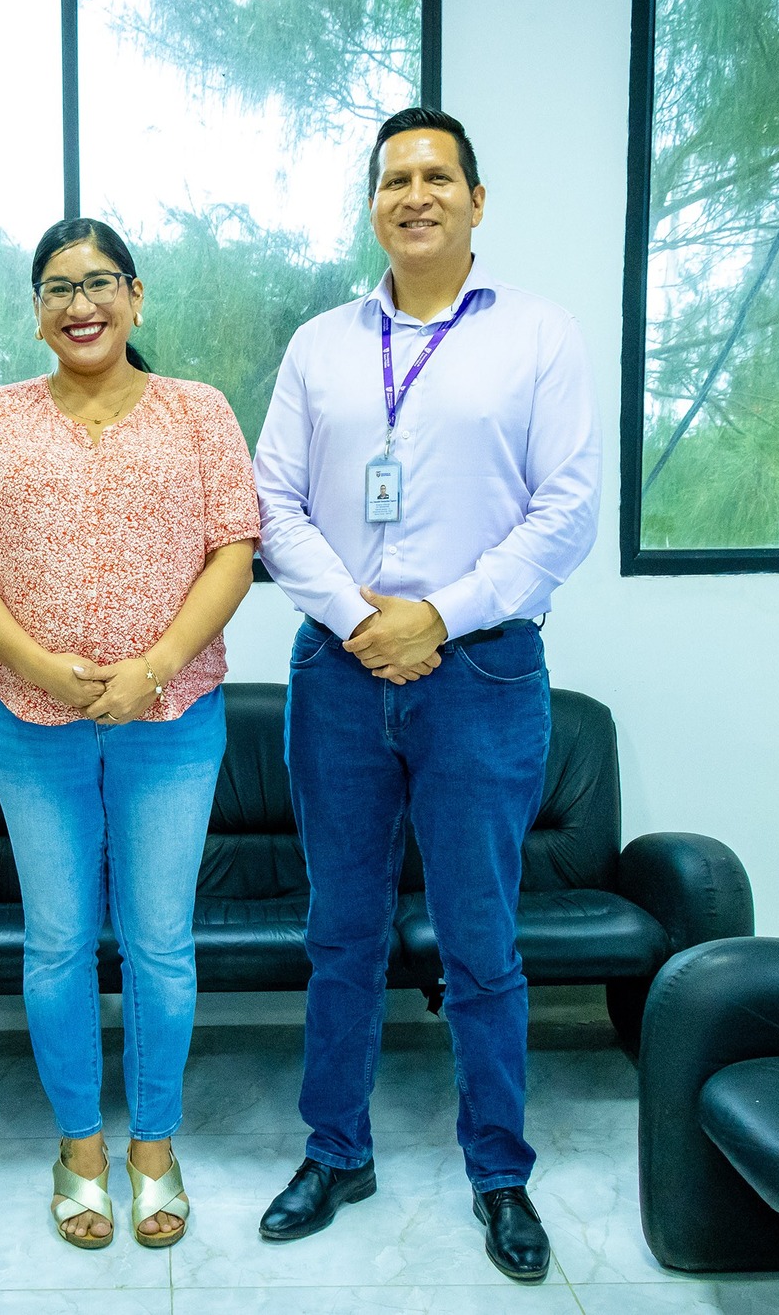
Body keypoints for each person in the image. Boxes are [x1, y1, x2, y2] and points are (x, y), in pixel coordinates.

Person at [251, 108, 601, 1282]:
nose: (414, 194)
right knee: (340, 932)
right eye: (393, 178)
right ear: (371, 207)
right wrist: (360, 620)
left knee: (479, 939)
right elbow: (271, 504)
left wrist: (435, 616)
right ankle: (334, 1150)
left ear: (474, 200)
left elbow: (565, 513)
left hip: (481, 670)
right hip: (338, 673)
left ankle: (498, 1172)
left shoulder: (538, 336)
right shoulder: (319, 346)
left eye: (436, 176)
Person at [0, 218, 257, 1250]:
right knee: (58, 942)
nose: (82, 304)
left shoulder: (199, 413)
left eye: (101, 282)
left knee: (160, 942)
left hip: (173, 716)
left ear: (136, 296)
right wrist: (35, 663)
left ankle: (153, 1149)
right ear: (37, 313)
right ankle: (79, 1147)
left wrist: (153, 665)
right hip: (32, 722)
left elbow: (234, 551)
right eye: (58, 288)